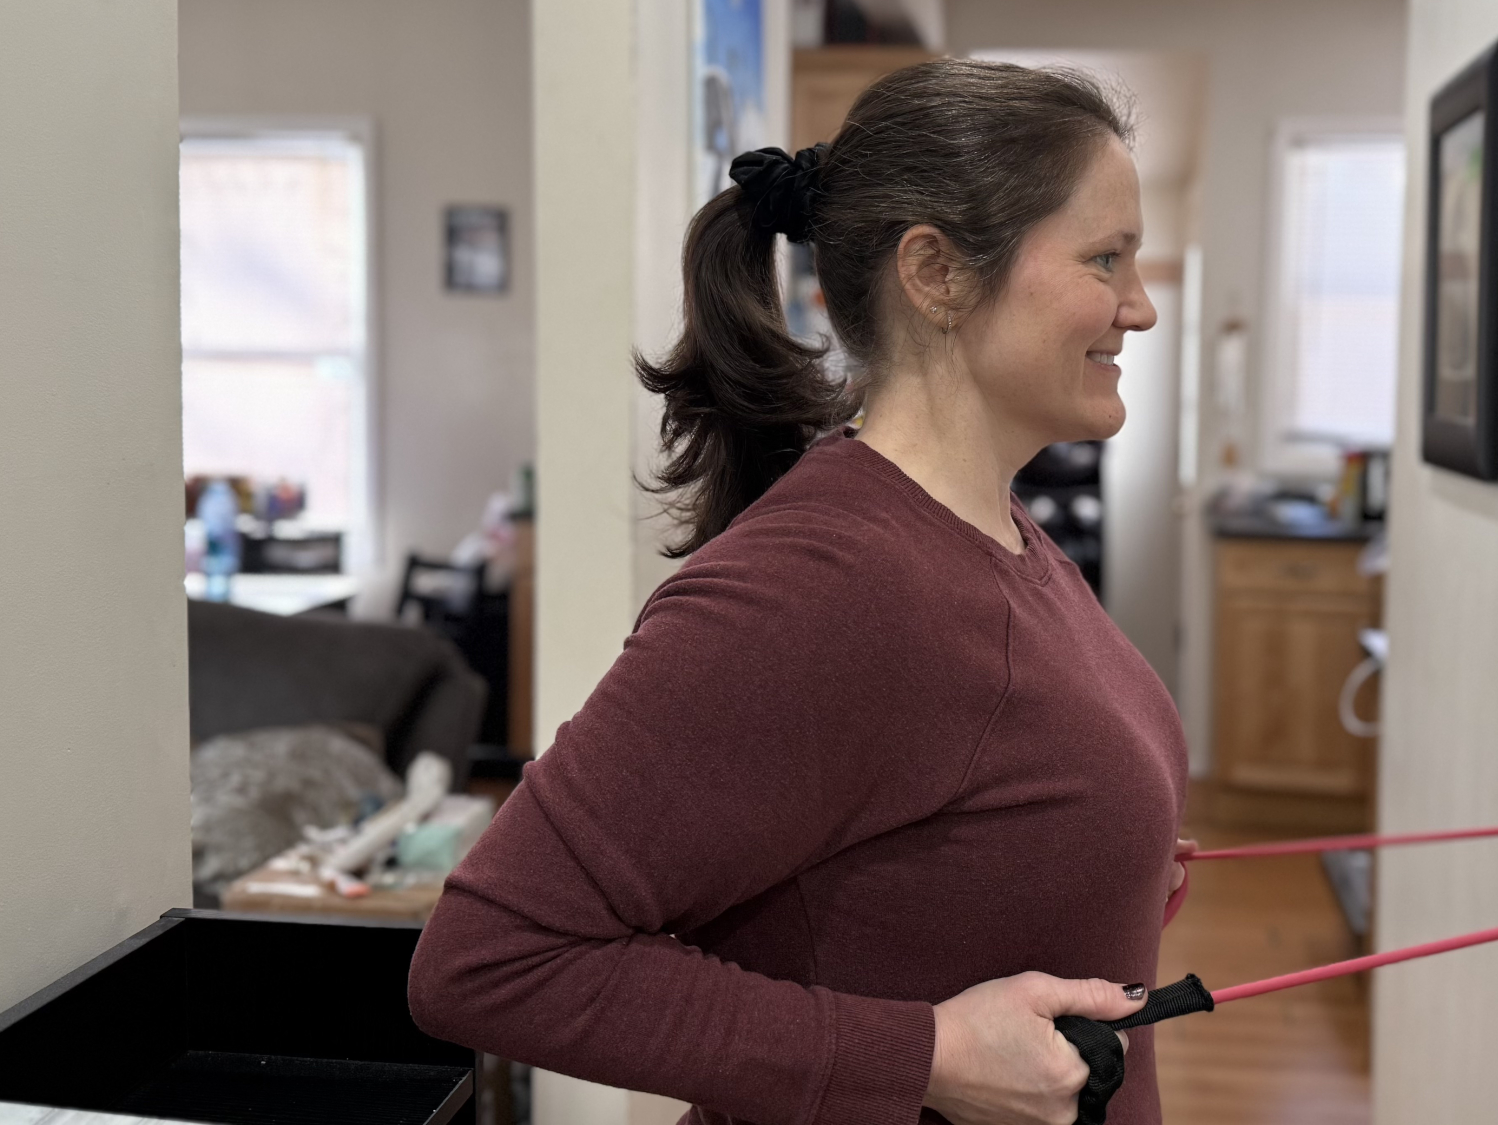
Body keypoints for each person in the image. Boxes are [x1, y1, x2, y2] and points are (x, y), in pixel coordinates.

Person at [408, 58, 1191, 1125]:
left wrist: (1092, 848)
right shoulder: (823, 585)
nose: (1138, 308)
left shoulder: (994, 525)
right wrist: (923, 1054)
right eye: (1105, 259)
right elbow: (493, 959)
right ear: (937, 273)